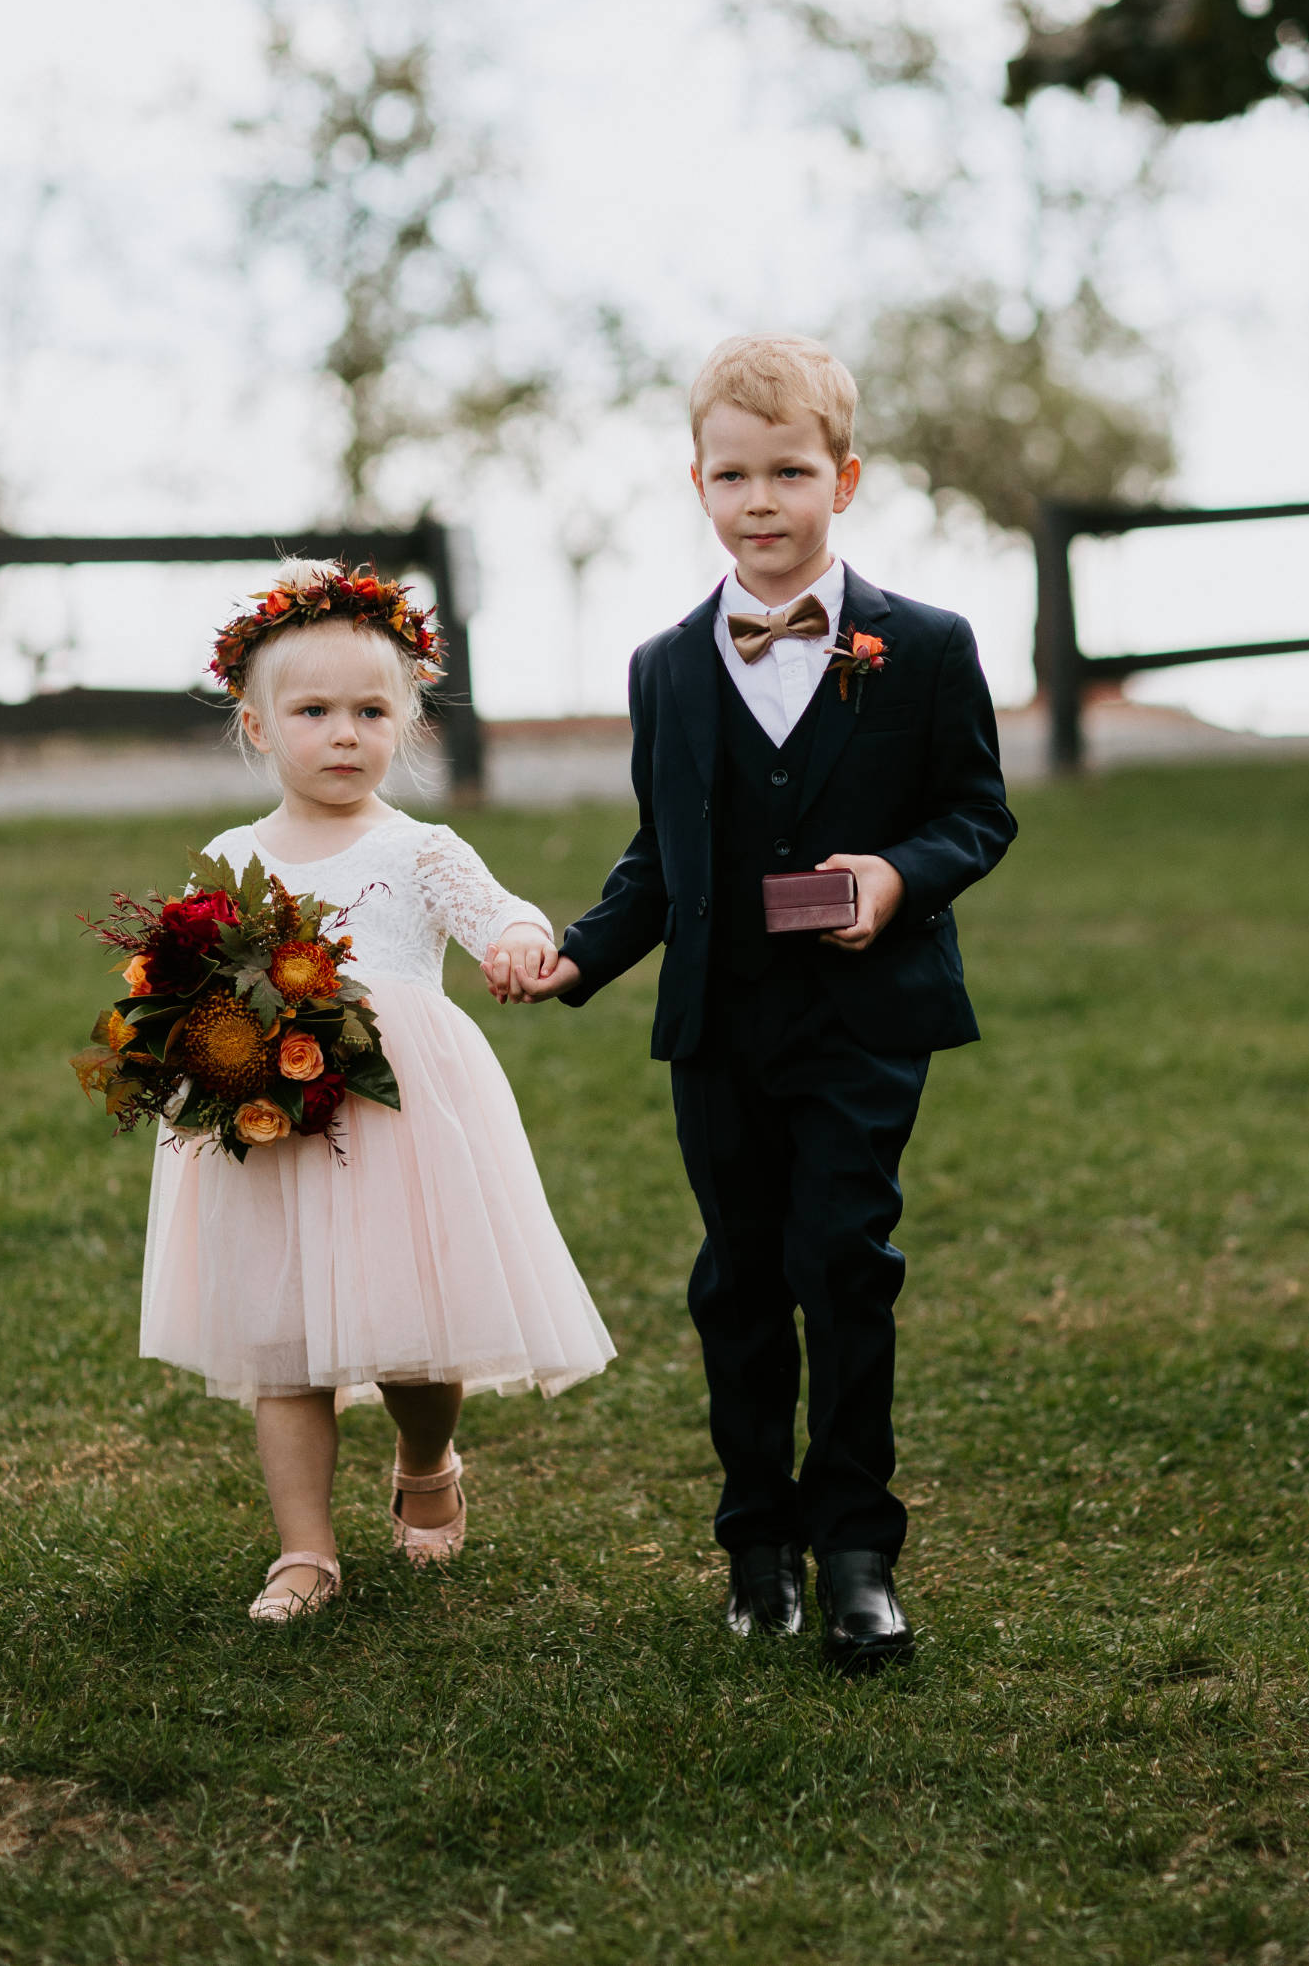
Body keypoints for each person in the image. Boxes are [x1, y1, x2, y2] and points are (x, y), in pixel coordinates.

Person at [493, 335, 1015, 1673]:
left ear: (844, 477)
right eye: (735, 473)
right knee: (737, 1278)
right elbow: (661, 855)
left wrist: (900, 873)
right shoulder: (667, 667)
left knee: (842, 1262)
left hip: (865, 1020)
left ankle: (856, 1554)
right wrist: (579, 954)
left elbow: (977, 813)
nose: (763, 498)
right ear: (698, 483)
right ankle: (755, 1548)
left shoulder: (930, 648)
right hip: (718, 1025)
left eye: (791, 470)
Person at [140, 559, 613, 1623]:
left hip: (399, 1115)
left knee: (415, 1335)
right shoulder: (231, 856)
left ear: (406, 721)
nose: (344, 733)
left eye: (370, 710)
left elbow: (503, 912)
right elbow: (183, 973)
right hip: (271, 1114)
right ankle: (304, 1550)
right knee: (284, 1340)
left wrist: (522, 943)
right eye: (313, 712)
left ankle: (427, 1453)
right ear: (258, 728)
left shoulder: (419, 849)